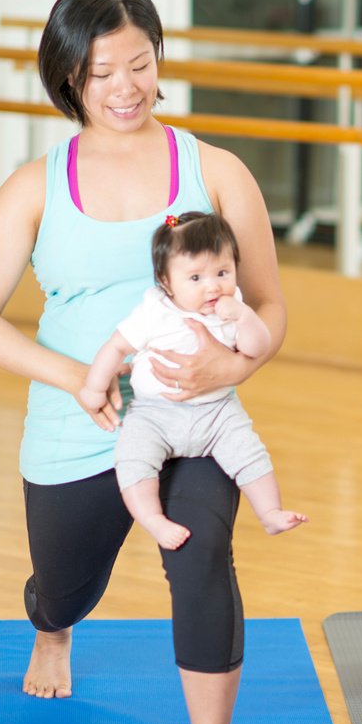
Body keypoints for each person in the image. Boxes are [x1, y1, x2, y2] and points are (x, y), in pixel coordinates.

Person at [0, 0, 286, 724]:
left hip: (193, 423)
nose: (126, 88)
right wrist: (77, 377)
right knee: (63, 587)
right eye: (103, 73)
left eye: (140, 63)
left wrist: (227, 370)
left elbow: (272, 309)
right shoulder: (35, 184)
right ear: (70, 78)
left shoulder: (216, 171)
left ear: (159, 59)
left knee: (202, 554)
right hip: (78, 420)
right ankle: (52, 626)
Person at [78, 211, 307, 550]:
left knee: (251, 455)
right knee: (133, 461)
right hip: (153, 414)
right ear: (167, 282)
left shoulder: (232, 308)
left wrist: (244, 317)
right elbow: (116, 347)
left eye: (222, 272)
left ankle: (270, 513)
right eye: (196, 278)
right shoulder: (155, 311)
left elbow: (256, 347)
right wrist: (94, 387)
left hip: (217, 412)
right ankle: (153, 520)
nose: (213, 286)